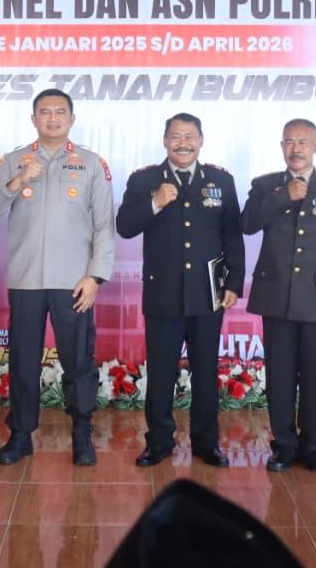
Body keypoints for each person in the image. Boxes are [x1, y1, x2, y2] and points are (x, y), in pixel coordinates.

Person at [0, 89, 115, 466]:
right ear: (33, 119)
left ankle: (81, 433)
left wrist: (95, 277)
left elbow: (104, 225)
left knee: (78, 360)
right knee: (23, 361)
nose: (52, 118)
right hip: (26, 279)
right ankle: (21, 435)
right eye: (44, 112)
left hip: (74, 282)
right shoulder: (12, 161)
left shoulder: (91, 163)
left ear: (71, 119)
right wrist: (18, 180)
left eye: (60, 112)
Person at [116, 112, 244, 468]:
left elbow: (232, 234)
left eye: (189, 137)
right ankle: (159, 442)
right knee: (161, 373)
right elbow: (124, 226)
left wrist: (233, 282)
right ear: (164, 141)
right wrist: (155, 203)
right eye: (175, 136)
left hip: (207, 294)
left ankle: (206, 443)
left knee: (205, 371)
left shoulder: (220, 179)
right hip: (163, 295)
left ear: (201, 140)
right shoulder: (144, 180)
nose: (183, 143)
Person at [241, 118, 316, 473]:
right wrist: (282, 197)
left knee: (315, 374)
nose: (296, 148)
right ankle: (284, 445)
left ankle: (313, 446)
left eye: (303, 142)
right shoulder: (265, 186)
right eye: (289, 142)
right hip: (276, 295)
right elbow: (247, 224)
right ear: (281, 147)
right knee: (280, 374)